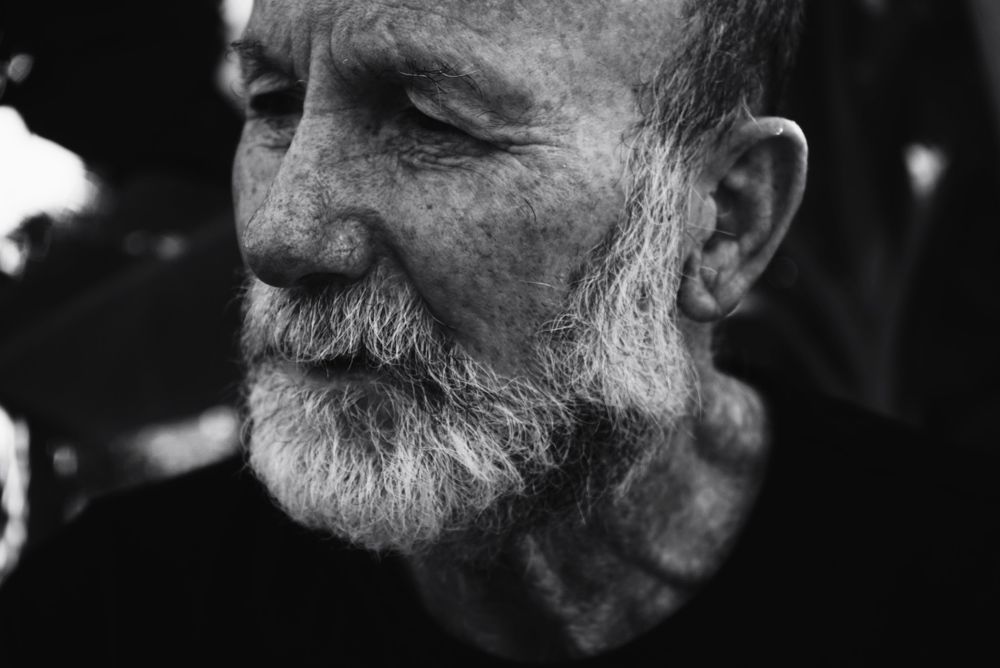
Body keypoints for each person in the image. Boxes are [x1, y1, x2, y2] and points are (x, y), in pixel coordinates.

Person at [1, 0, 997, 664]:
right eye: (272, 104)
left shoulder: (953, 592)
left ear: (724, 220)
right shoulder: (111, 618)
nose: (278, 233)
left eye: (433, 121)